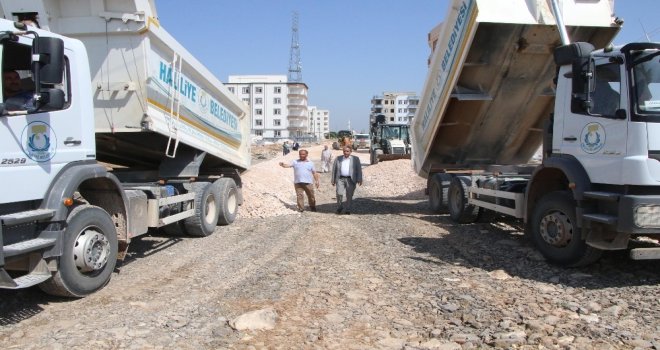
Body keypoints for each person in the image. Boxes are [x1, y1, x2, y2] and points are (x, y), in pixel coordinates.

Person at [331, 146, 363, 215]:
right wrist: (333, 179)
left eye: (347, 151)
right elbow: (334, 170)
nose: (346, 152)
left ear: (350, 151)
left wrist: (360, 179)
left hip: (350, 179)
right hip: (340, 179)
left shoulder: (355, 159)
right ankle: (340, 207)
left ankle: (348, 209)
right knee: (339, 193)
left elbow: (359, 170)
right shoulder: (338, 158)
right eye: (344, 151)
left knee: (349, 195)